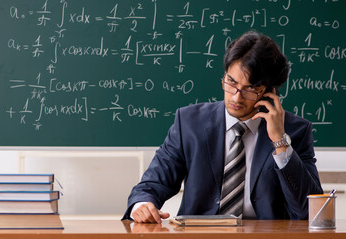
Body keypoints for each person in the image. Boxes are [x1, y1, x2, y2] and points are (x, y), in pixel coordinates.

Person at [122, 31, 323, 223]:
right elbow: (153, 183)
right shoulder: (189, 123)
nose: (236, 97)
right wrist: (142, 204)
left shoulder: (296, 131)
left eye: (250, 89)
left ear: (269, 92)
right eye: (231, 82)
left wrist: (280, 141)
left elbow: (308, 210)